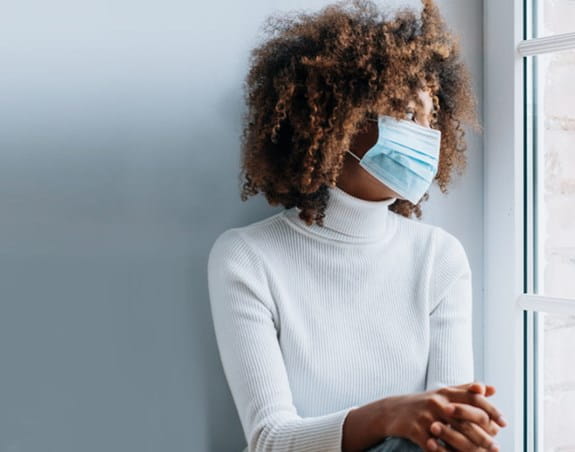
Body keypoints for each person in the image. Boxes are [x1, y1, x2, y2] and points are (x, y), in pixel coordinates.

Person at [207, 0, 507, 450]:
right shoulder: (248, 258)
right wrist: (393, 414)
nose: (423, 135)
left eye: (428, 117)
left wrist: (461, 430)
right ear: (331, 125)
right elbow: (271, 440)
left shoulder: (439, 258)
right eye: (405, 115)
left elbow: (440, 431)